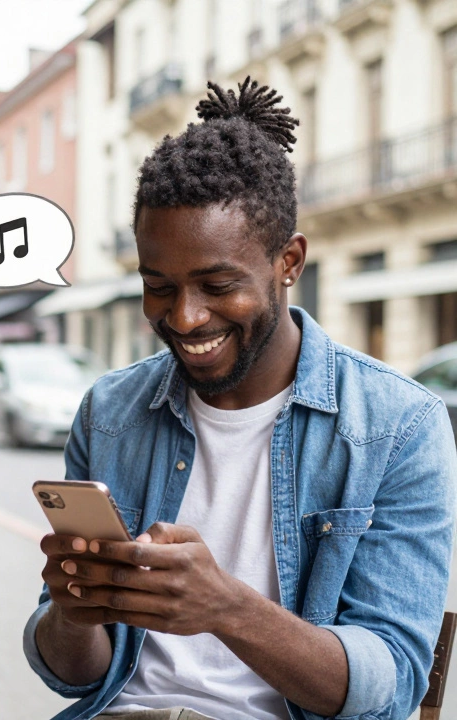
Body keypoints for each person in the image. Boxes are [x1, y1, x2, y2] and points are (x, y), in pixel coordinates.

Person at [25, 79, 456, 720]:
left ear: (289, 260)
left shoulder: (399, 426)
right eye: (158, 287)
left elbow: (390, 687)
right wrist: (72, 612)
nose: (185, 317)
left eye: (217, 285)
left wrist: (226, 608)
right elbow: (70, 675)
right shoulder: (109, 413)